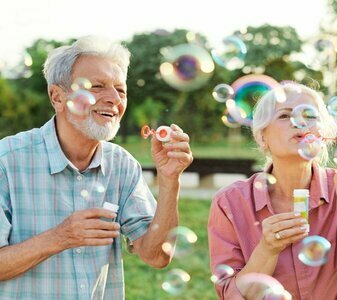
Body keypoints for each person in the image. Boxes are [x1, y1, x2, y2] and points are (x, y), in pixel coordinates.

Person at [0, 36, 193, 299]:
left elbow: (157, 256)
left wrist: (170, 180)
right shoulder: (6, 160)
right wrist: (60, 237)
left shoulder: (122, 165)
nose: (114, 98)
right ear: (57, 97)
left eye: (121, 90)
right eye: (97, 86)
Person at [208, 83, 337, 299]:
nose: (301, 122)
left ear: (323, 135)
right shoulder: (230, 202)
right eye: (285, 116)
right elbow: (231, 294)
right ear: (262, 138)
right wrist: (267, 249)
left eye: (310, 115)